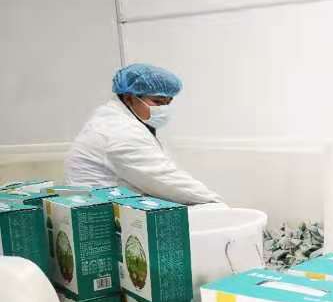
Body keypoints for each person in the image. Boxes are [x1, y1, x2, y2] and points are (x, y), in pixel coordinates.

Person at [65, 64, 223, 205]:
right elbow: (165, 179)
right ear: (129, 98)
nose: (163, 108)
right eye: (158, 101)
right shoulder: (120, 130)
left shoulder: (116, 119)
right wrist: (216, 202)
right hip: (104, 215)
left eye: (168, 102)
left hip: (112, 206)